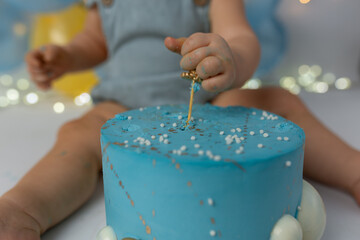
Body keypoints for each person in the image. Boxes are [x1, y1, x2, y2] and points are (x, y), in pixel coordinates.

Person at [1, 0, 360, 239]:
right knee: (78, 134)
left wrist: (229, 56)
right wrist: (66, 56)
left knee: (277, 101)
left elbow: (241, 37)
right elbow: (95, 41)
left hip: (211, 103)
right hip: (122, 109)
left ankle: (353, 170)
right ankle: (23, 209)